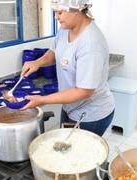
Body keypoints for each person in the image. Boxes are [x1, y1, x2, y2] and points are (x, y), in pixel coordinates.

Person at [20, 0, 115, 136]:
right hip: (70, 106)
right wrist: (37, 63)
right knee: (67, 149)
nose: (56, 17)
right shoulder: (66, 28)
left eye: (60, 12)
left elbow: (84, 91)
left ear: (77, 10)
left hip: (91, 114)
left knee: (79, 155)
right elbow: (54, 52)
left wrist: (42, 100)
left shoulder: (91, 44)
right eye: (55, 12)